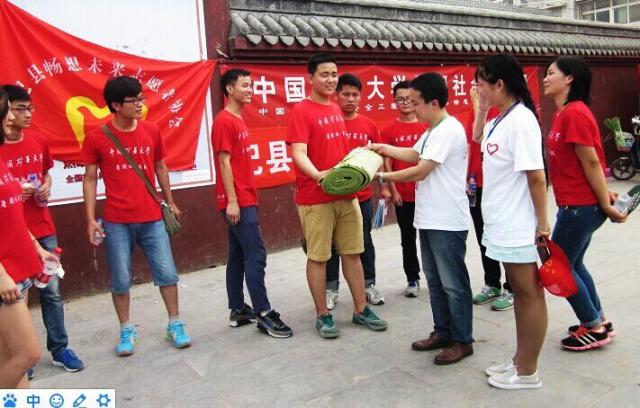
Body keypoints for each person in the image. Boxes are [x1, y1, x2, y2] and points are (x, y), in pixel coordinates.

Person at [82, 76, 191, 356]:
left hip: (153, 218)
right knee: (120, 279)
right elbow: (90, 178)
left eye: (141, 98)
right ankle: (126, 328)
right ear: (116, 105)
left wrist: (170, 201)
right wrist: (91, 219)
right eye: (134, 100)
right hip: (116, 221)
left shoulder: (151, 130)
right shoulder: (97, 137)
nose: (141, 104)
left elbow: (161, 167)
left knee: (167, 273)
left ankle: (175, 323)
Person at [371, 72, 474, 365]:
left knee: (453, 283)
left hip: (446, 220)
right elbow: (413, 153)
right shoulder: (431, 131)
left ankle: (462, 340)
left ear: (434, 102)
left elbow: (421, 169)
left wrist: (383, 177)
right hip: (428, 218)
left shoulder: (448, 130)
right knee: (435, 280)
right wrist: (381, 148)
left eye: (416, 102)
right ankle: (442, 332)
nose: (412, 108)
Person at [287, 53, 388, 339]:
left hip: (346, 196)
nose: (331, 79)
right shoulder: (301, 111)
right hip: (315, 198)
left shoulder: (334, 109)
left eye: (334, 74)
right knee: (319, 257)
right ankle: (323, 314)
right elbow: (298, 153)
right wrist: (319, 175)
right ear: (310, 78)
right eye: (325, 74)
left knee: (353, 254)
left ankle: (361, 309)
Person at [473, 54, 549, 389]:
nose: (477, 90)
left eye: (481, 84)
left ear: (499, 84)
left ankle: (528, 371)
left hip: (518, 224)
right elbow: (477, 138)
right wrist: (481, 108)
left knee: (528, 293)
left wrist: (542, 226)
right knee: (519, 292)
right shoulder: (500, 118)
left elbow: (536, 176)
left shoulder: (522, 121)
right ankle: (520, 360)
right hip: (501, 220)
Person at [0, 85, 85, 377]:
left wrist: (46, 185)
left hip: (41, 229)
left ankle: (59, 349)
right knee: (17, 297)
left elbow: (45, 172)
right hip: (9, 238)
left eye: (29, 108)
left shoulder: (37, 139)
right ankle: (23, 358)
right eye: (18, 109)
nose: (25, 115)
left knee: (51, 292)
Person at [543, 56, 626, 351]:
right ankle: (599, 320)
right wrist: (604, 195)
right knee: (574, 263)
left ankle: (593, 328)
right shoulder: (565, 113)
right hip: (578, 204)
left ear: (569, 78)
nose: (545, 78)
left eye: (551, 73)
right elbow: (585, 164)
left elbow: (591, 161)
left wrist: (605, 203)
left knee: (559, 267)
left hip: (579, 207)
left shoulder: (575, 113)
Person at [212, 68, 292, 338]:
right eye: (245, 85)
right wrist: (233, 201)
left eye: (251, 85)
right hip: (239, 201)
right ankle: (264, 313)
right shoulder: (225, 121)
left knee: (237, 255)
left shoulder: (237, 119)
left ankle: (238, 309)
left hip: (243, 198)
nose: (250, 90)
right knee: (256, 256)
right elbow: (223, 161)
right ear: (229, 89)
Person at [325, 73, 389, 310]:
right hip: (332, 195)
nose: (351, 99)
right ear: (337, 95)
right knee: (332, 244)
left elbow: (378, 156)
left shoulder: (368, 124)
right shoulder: (329, 122)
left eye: (355, 95)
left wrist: (384, 185)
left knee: (364, 241)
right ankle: (331, 288)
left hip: (361, 196)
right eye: (346, 94)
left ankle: (368, 285)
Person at [0, 88, 43, 388]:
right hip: (5, 278)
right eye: (7, 111)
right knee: (27, 354)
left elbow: (10, 214)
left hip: (18, 270)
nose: (12, 117)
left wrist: (36, 246)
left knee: (11, 361)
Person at [380, 81, 427, 298]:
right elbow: (387, 162)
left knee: (430, 239)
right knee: (407, 239)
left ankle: (435, 277)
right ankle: (412, 278)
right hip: (403, 195)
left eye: (408, 98)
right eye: (400, 99)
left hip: (426, 194)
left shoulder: (426, 127)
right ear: (395, 101)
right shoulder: (389, 130)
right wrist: (393, 190)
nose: (405, 102)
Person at [468, 89, 513, 312]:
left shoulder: (507, 113)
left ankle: (512, 288)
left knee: (504, 238)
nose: (477, 89)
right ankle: (492, 283)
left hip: (499, 185)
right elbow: (472, 143)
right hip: (476, 184)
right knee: (483, 237)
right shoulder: (474, 112)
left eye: (482, 83)